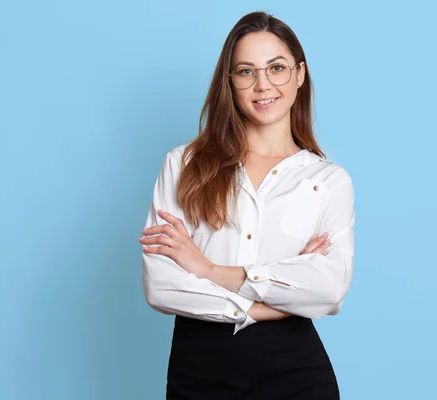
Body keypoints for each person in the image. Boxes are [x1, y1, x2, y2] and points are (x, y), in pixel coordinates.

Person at [139, 11, 355, 400]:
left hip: (297, 377)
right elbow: (163, 286)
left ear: (300, 74)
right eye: (245, 71)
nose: (263, 85)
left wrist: (207, 269)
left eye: (277, 68)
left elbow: (327, 290)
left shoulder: (327, 182)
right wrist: (270, 302)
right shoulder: (184, 165)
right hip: (199, 376)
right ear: (229, 82)